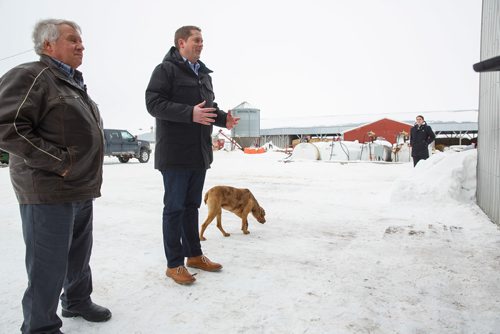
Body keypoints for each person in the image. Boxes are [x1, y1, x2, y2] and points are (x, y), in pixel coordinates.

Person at [0, 19, 111, 333]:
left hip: (80, 187)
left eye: (82, 41)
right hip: (48, 188)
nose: (81, 45)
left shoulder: (72, 83)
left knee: (78, 254)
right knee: (48, 266)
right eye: (72, 39)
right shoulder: (31, 76)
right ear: (47, 45)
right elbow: (7, 127)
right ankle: (40, 326)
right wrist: (60, 163)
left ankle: (76, 300)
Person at [145, 26, 239, 285]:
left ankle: (194, 255)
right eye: (196, 40)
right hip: (175, 154)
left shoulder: (204, 76)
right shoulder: (165, 70)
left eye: (202, 41)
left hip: (198, 154)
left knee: (191, 207)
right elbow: (153, 103)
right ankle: (174, 264)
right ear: (181, 42)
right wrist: (189, 113)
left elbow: (208, 108)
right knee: (174, 209)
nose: (201, 44)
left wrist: (224, 120)